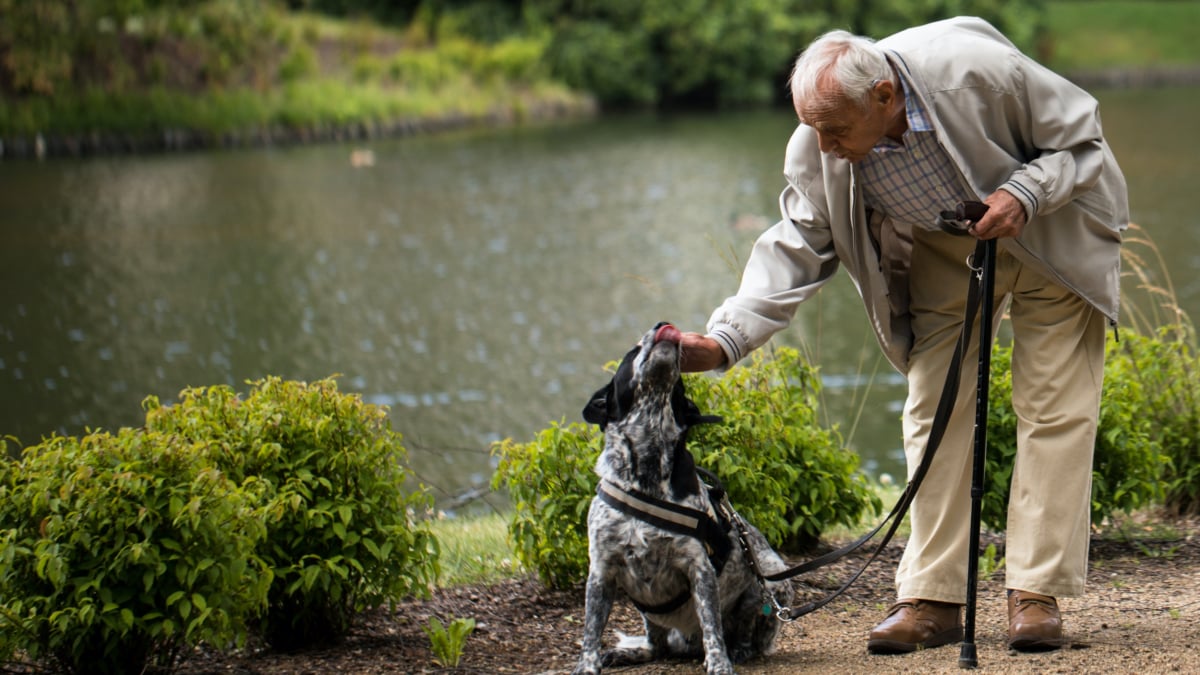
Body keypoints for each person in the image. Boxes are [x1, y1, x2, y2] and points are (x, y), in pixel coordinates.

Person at [679, 16, 1128, 655]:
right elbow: (797, 244)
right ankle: (934, 598)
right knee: (931, 411)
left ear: (885, 97)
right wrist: (724, 340)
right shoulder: (819, 143)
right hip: (951, 248)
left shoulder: (976, 73)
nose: (824, 145)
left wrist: (1025, 192)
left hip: (1055, 234)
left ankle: (1035, 593)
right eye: (814, 128)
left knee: (1054, 410)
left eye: (835, 129)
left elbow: (1084, 144)